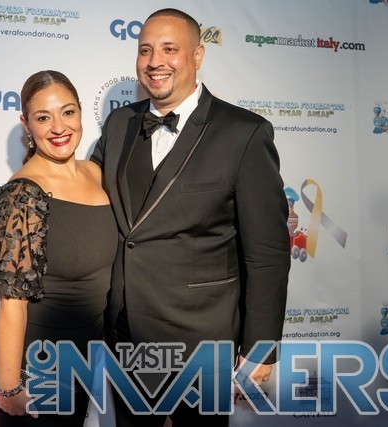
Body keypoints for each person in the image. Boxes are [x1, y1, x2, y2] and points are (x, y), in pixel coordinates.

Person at [91, 8, 290, 426]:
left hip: (202, 338)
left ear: (198, 55)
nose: (154, 61)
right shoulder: (119, 123)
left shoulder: (243, 133)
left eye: (169, 49)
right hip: (125, 332)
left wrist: (261, 348)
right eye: (145, 50)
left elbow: (267, 254)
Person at [0, 70, 117, 427]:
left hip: (77, 354)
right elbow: (12, 300)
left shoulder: (97, 174)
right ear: (27, 124)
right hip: (26, 361)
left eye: (67, 112)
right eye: (43, 118)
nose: (58, 127)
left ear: (80, 112)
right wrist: (9, 385)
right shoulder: (23, 193)